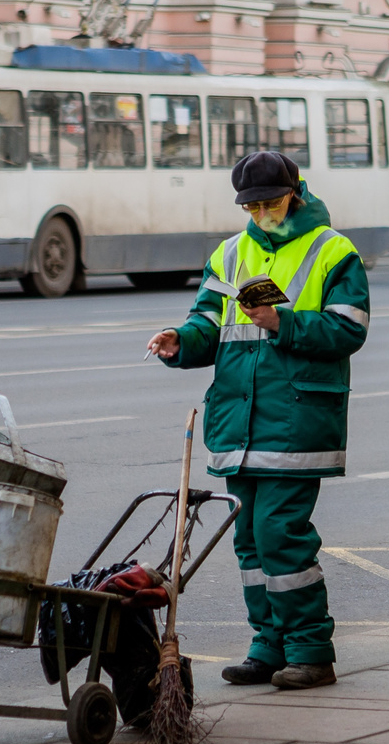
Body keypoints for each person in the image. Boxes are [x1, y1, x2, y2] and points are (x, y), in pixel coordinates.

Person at [146, 151, 370, 690]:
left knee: (279, 533)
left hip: (296, 420)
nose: (261, 214)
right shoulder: (230, 254)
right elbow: (208, 320)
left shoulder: (333, 251)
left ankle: (311, 651)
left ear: (295, 192)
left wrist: (283, 322)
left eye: (270, 203)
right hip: (238, 422)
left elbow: (349, 329)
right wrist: (182, 340)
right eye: (251, 206)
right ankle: (268, 646)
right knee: (248, 539)